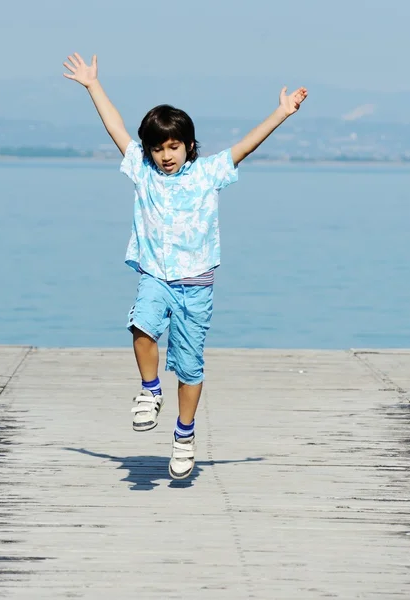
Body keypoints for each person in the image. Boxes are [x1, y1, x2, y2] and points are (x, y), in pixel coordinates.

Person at [63, 52, 308, 480]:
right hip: (156, 277)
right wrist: (92, 86)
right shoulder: (143, 173)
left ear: (189, 145)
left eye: (173, 146)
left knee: (191, 368)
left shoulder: (207, 173)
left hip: (196, 287)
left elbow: (247, 145)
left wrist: (281, 112)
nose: (165, 155)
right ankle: (149, 389)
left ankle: (184, 435)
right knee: (140, 326)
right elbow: (116, 128)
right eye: (157, 148)